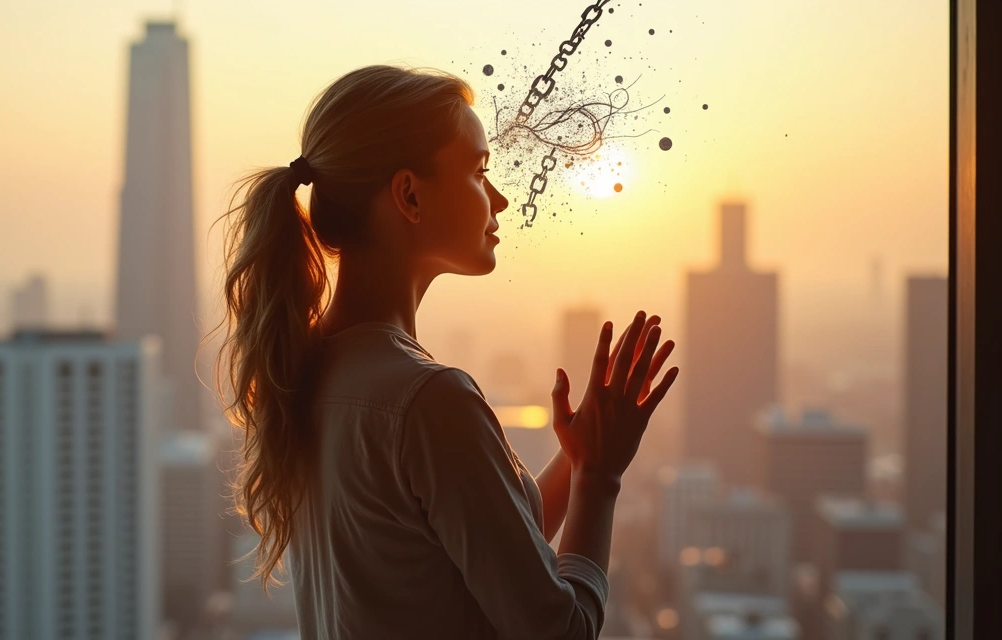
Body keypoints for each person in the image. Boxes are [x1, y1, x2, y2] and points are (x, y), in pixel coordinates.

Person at [213, 64, 679, 639]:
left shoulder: (311, 373)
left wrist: (579, 461)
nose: (501, 200)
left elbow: (481, 543)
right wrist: (601, 478)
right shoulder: (429, 400)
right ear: (409, 194)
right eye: (480, 173)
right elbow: (562, 631)